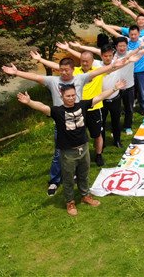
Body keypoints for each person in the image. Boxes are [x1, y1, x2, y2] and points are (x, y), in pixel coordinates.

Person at [2, 55, 131, 196]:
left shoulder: (80, 79)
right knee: (59, 153)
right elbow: (35, 77)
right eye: (61, 70)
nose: (63, 72)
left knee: (79, 150)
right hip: (60, 121)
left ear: (72, 70)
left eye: (66, 70)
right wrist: (17, 73)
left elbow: (98, 71)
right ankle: (54, 180)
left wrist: (114, 65)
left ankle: (76, 176)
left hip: (78, 118)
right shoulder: (53, 81)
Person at [17, 78, 126, 215]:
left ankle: (85, 196)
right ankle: (70, 202)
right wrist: (29, 102)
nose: (71, 98)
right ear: (62, 96)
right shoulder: (57, 111)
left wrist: (115, 88)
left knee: (84, 174)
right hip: (68, 152)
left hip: (84, 148)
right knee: (68, 178)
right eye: (68, 96)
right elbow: (43, 107)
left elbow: (99, 97)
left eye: (73, 95)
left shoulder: (82, 105)